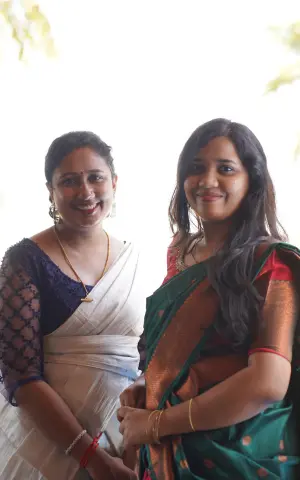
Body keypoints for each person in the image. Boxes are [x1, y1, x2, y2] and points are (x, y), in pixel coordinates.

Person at [118, 118, 300, 479]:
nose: (207, 181)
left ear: (253, 181)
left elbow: (266, 383)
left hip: (235, 454)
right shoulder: (179, 253)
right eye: (195, 168)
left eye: (226, 169)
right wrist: (147, 385)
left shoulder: (270, 263)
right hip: (166, 450)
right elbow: (178, 353)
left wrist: (157, 425)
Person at [0, 131, 144, 479]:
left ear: (114, 183)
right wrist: (94, 460)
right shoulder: (24, 261)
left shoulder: (132, 258)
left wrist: (136, 444)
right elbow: (20, 376)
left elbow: (147, 355)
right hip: (43, 450)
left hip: (126, 445)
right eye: (69, 181)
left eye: (96, 177)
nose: (86, 192)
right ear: (50, 190)